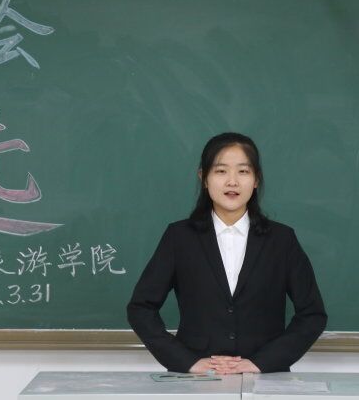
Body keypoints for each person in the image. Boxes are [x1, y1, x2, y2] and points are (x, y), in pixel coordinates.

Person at [127, 132, 327, 375]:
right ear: (204, 178)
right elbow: (141, 308)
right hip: (196, 381)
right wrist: (187, 362)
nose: (232, 182)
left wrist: (261, 363)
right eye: (221, 171)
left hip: (265, 378)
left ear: (256, 179)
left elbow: (313, 314)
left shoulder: (281, 240)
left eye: (243, 171)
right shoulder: (179, 237)